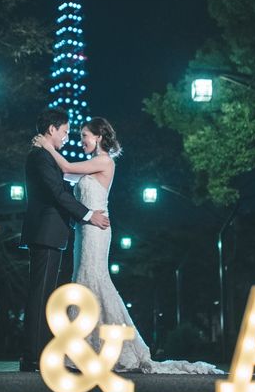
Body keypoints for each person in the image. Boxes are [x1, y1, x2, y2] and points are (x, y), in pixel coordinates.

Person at [33, 116, 223, 374]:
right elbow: (66, 173)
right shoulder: (90, 165)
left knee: (92, 280)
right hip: (84, 230)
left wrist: (47, 146)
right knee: (84, 281)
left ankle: (89, 348)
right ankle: (86, 347)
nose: (81, 141)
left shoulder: (104, 161)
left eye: (84, 136)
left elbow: (66, 166)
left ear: (98, 137)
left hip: (97, 230)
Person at [19, 108, 110, 373]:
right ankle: (33, 356)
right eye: (65, 132)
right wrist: (88, 214)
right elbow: (58, 193)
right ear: (52, 130)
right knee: (41, 295)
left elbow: (65, 179)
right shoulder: (40, 157)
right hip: (45, 232)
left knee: (45, 294)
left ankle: (37, 353)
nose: (67, 138)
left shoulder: (45, 155)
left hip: (49, 232)